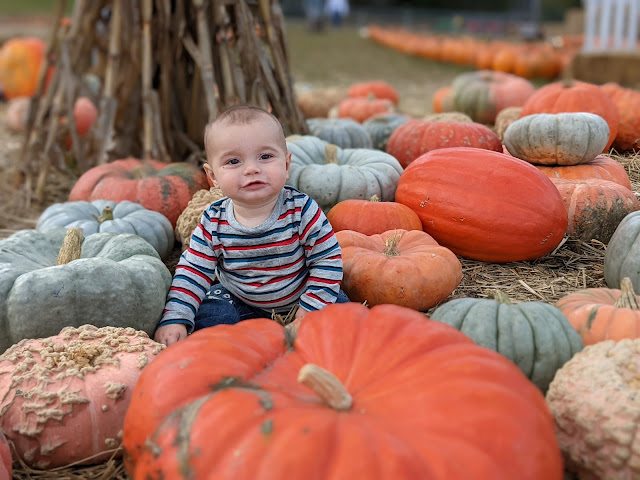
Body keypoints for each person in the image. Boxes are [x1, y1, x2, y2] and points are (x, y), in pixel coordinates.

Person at [154, 105, 348, 346]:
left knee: (342, 311)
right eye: (234, 161)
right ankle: (225, 353)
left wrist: (311, 308)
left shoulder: (301, 210)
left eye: (265, 157)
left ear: (286, 165)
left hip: (301, 297)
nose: (252, 168)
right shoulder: (214, 221)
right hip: (240, 300)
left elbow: (326, 260)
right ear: (213, 177)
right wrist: (175, 318)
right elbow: (193, 271)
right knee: (213, 312)